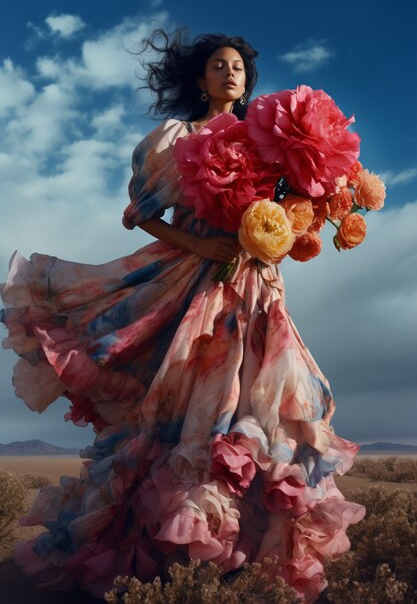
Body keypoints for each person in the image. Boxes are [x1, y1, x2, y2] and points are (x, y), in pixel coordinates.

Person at [0, 29, 365, 604]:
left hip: (258, 292)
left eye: (239, 67)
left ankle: (238, 559)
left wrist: (289, 230)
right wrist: (205, 249)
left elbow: (293, 218)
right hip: (190, 287)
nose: (231, 74)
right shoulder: (177, 137)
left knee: (265, 413)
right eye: (218, 66)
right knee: (188, 412)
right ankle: (169, 554)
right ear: (200, 79)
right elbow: (142, 214)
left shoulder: (270, 143)